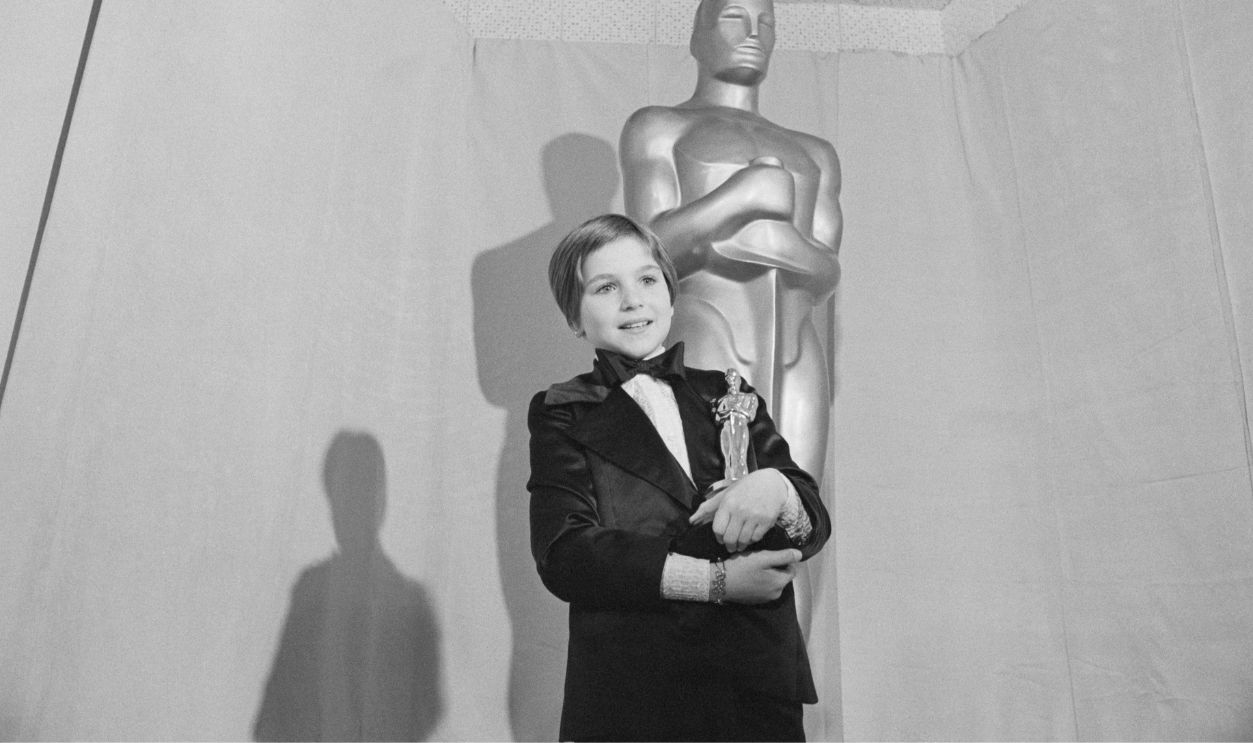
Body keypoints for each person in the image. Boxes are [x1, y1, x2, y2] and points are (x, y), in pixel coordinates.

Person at [527, 213, 830, 741]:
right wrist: (717, 584)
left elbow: (813, 520)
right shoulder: (563, 412)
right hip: (639, 694)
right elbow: (566, 554)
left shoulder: (731, 392)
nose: (633, 300)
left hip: (756, 688)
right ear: (574, 318)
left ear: (670, 292)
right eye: (605, 287)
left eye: (647, 280)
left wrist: (777, 489)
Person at [619, 0, 842, 488]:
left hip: (798, 348)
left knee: (799, 512)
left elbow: (826, 273)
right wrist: (736, 200)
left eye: (766, 23)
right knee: (712, 509)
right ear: (697, 37)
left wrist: (765, 242)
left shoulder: (815, 152)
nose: (753, 33)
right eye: (733, 17)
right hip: (705, 332)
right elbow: (648, 253)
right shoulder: (659, 127)